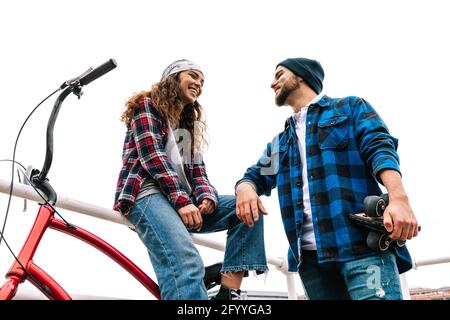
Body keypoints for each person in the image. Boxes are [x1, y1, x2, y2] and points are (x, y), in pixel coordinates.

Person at [235, 57, 419, 300]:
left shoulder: (350, 108)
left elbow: (379, 148)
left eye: (279, 74)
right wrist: (245, 187)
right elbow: (256, 176)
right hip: (311, 263)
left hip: (363, 250)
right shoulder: (281, 144)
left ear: (301, 76)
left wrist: (399, 198)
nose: (272, 83)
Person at [113, 59, 267, 300]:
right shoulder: (147, 106)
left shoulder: (185, 127)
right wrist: (182, 200)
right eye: (193, 76)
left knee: (247, 209)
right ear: (172, 78)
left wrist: (206, 197)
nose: (198, 83)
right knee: (187, 263)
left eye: (202, 81)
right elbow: (152, 156)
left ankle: (228, 292)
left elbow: (198, 172)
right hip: (146, 195)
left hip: (181, 202)